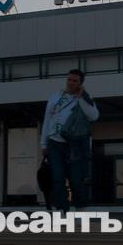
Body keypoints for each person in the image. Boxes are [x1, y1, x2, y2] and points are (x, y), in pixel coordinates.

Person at [40, 69, 99, 212]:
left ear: (80, 83)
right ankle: (61, 209)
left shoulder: (85, 98)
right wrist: (43, 143)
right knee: (57, 178)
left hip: (75, 144)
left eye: (75, 81)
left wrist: (81, 98)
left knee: (76, 179)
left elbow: (94, 116)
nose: (71, 83)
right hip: (55, 142)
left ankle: (80, 207)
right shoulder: (55, 97)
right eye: (69, 79)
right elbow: (47, 120)